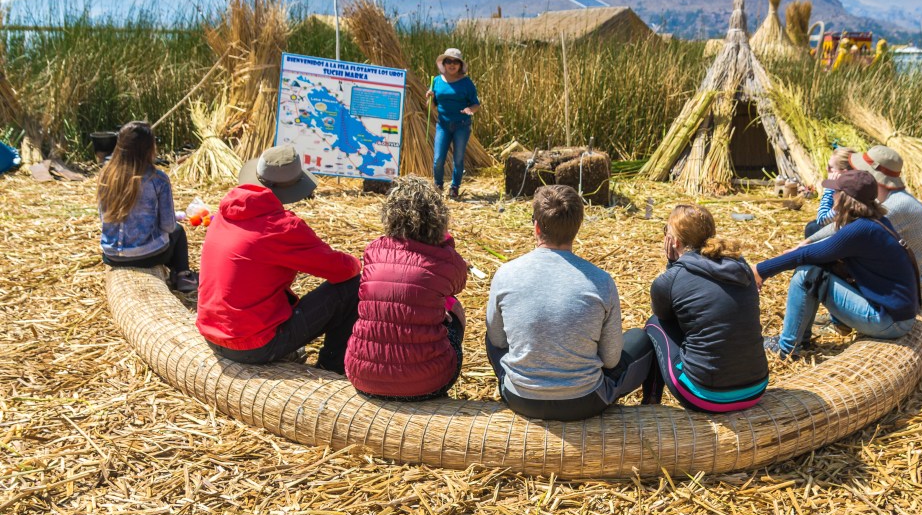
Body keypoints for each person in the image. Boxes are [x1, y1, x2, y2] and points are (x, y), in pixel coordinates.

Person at [485, 185, 654, 421]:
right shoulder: (601, 281)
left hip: (521, 398)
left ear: (536, 227)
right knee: (642, 338)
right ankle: (651, 405)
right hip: (585, 401)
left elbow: (497, 340)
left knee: (491, 331)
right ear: (577, 228)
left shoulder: (505, 274)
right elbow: (611, 359)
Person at [195, 145, 361, 373]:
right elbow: (342, 270)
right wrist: (358, 260)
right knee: (352, 287)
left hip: (211, 333)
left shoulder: (226, 211)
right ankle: (331, 367)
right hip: (252, 345)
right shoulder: (282, 227)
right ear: (293, 187)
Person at [755, 170, 920, 359]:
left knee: (806, 275)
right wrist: (798, 251)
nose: (832, 195)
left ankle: (786, 349)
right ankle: (800, 339)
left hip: (891, 322)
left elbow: (807, 256)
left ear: (845, 198)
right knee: (817, 268)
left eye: (835, 192)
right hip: (898, 315)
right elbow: (818, 253)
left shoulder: (860, 230)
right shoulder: (874, 222)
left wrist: (759, 271)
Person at [345, 176, 469, 400]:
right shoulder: (445, 260)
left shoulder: (373, 250)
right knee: (455, 308)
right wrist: (446, 245)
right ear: (438, 218)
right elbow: (458, 284)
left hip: (362, 376)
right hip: (427, 383)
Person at [642, 205, 769, 412]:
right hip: (756, 388)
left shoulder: (670, 280)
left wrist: (671, 265)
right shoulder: (740, 265)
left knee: (655, 323)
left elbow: (665, 315)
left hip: (708, 395)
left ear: (674, 241)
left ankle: (651, 402)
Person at [806, 145, 922, 302]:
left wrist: (804, 249)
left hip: (919, 289)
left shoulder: (895, 206)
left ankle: (841, 318)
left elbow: (848, 234)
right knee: (816, 233)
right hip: (916, 280)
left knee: (836, 251)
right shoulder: (890, 198)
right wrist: (809, 241)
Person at [98, 121, 198, 292]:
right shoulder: (157, 178)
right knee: (178, 232)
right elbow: (167, 225)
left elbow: (103, 218)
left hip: (112, 255)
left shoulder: (106, 175)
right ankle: (183, 276)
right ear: (149, 148)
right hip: (145, 255)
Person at [426, 47, 480, 200]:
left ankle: (455, 187)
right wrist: (429, 97)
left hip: (461, 126)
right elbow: (431, 106)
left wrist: (470, 110)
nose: (452, 64)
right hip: (443, 125)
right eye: (448, 61)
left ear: (460, 65)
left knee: (458, 158)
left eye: (455, 62)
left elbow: (476, 104)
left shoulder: (466, 83)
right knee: (438, 159)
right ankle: (438, 185)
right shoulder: (436, 81)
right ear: (444, 63)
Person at [804, 146, 855, 238]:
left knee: (812, 228)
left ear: (843, 172)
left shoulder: (847, 195)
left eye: (830, 167)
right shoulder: (859, 184)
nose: (827, 169)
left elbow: (822, 219)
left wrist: (829, 188)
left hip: (846, 236)